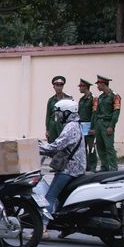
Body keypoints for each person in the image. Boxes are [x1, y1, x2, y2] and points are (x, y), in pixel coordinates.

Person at [39, 98, 86, 239]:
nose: (57, 116)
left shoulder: (70, 127)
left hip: (70, 168)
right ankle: (68, 226)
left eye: (59, 113)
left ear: (67, 112)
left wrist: (37, 146)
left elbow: (56, 146)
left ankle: (42, 229)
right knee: (63, 198)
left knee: (50, 196)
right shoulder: (76, 124)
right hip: (77, 166)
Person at [92, 74, 120, 172]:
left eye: (98, 84)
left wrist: (111, 126)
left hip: (107, 124)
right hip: (99, 124)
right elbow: (96, 113)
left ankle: (113, 167)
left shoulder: (115, 96)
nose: (97, 86)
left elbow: (116, 112)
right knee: (100, 147)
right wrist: (95, 127)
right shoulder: (100, 97)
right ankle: (104, 166)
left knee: (109, 147)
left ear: (104, 84)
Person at [76, 78, 97, 171]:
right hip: (81, 125)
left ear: (85, 87)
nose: (79, 88)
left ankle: (92, 166)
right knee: (82, 147)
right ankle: (85, 165)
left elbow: (95, 114)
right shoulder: (81, 99)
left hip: (89, 125)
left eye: (80, 86)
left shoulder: (93, 99)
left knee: (91, 146)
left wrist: (94, 127)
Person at [45, 75, 71, 142]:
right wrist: (47, 130)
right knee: (52, 144)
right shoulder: (51, 100)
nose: (59, 87)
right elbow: (48, 116)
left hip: (63, 125)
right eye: (57, 85)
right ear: (54, 87)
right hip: (52, 125)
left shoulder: (68, 99)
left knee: (64, 143)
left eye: (61, 85)